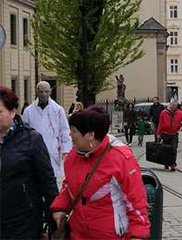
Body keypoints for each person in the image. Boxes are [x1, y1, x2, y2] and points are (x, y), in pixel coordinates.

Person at [51, 105, 150, 240]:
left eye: (74, 131)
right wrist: (59, 208)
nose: (70, 134)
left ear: (90, 135)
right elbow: (68, 185)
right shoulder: (73, 156)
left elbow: (136, 200)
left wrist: (138, 234)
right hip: (78, 233)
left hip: (110, 235)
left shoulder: (121, 158)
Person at [0, 84, 58, 240]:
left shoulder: (31, 140)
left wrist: (54, 218)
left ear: (12, 112)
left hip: (23, 223)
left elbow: (48, 182)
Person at [22, 80, 72, 184]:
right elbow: (24, 133)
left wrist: (66, 150)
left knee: (51, 181)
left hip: (53, 150)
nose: (44, 94)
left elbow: (65, 130)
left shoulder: (58, 110)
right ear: (37, 92)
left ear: (50, 92)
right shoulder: (28, 111)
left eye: (46, 91)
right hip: (35, 152)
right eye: (41, 91)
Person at [156, 97, 182, 171]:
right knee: (165, 150)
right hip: (165, 134)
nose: (173, 107)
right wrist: (158, 133)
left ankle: (173, 164)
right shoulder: (164, 112)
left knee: (173, 149)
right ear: (170, 104)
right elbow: (160, 123)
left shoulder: (179, 113)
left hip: (174, 134)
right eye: (172, 105)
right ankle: (166, 163)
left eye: (175, 105)